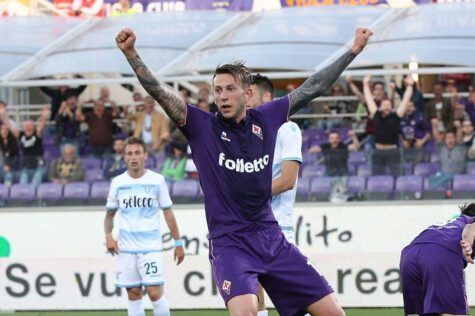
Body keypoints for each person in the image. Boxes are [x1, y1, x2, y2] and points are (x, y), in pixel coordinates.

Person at [116, 26, 371, 315]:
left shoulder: (268, 117)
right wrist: (132, 55)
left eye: (230, 89)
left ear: (247, 92)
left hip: (271, 237)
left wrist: (353, 51)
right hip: (230, 243)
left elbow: (313, 87)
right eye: (217, 90)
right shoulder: (201, 126)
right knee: (247, 311)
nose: (222, 96)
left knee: (335, 313)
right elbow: (160, 92)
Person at [104, 136, 184, 316]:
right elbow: (109, 215)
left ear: (145, 156)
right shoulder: (118, 183)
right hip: (126, 249)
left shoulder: (157, 180)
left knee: (155, 293)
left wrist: (178, 243)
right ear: (124, 157)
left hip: (150, 248)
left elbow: (168, 214)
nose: (133, 157)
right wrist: (108, 236)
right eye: (129, 153)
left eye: (137, 153)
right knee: (133, 294)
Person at [246, 74, 303, 315]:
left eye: (250, 93)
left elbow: (288, 180)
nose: (244, 99)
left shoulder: (286, 128)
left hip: (278, 227)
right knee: (253, 290)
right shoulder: (248, 133)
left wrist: (246, 195)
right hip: (250, 226)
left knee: (294, 298)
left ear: (267, 96)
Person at [400, 203, 475, 315]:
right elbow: (471, 227)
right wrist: (467, 242)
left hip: (409, 254)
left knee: (418, 313)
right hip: (440, 253)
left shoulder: (451, 223)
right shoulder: (469, 221)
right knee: (453, 313)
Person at [363, 75, 414, 176]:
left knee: (397, 176)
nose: (386, 107)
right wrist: (365, 84)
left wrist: (410, 86)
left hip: (393, 152)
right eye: (384, 105)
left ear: (391, 107)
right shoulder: (375, 114)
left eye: (389, 105)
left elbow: (405, 100)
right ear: (380, 107)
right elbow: (369, 99)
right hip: (378, 152)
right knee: (376, 177)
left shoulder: (396, 115)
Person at [19, 108, 49, 186]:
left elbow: (41, 127)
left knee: (35, 182)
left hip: (39, 167)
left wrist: (44, 117)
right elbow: (10, 128)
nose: (28, 127)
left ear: (33, 127)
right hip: (26, 167)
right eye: (26, 126)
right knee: (22, 184)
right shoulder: (21, 136)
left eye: (30, 126)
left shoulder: (37, 135)